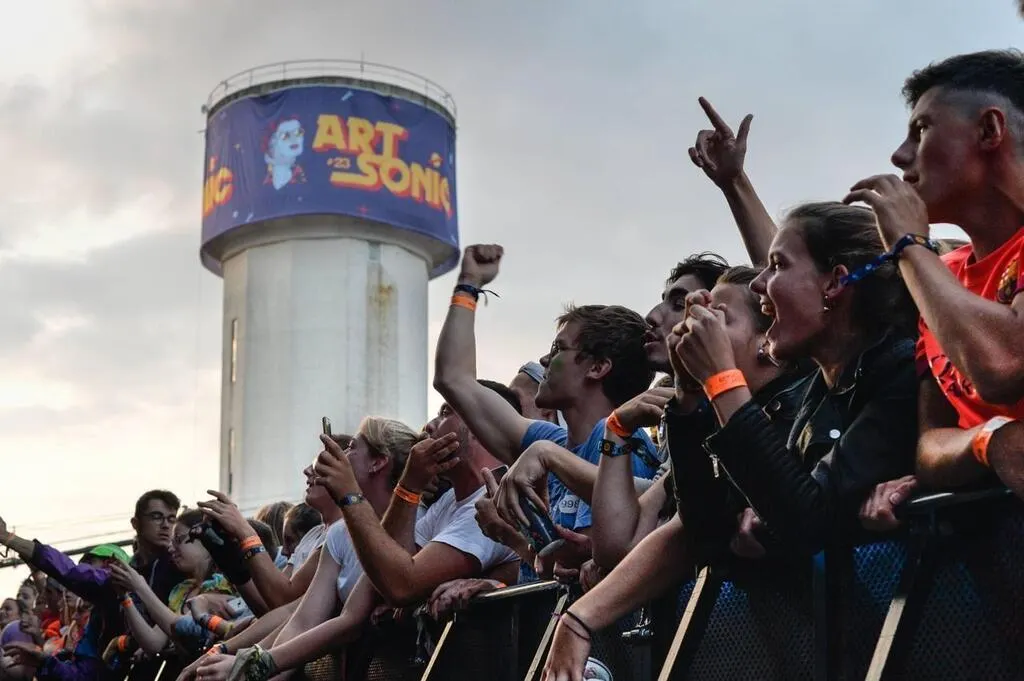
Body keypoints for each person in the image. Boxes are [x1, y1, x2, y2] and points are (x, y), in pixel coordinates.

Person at [542, 205, 919, 679]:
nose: (762, 283)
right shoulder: (818, 394)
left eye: (777, 266)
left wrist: (721, 380)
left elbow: (806, 518)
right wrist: (687, 395)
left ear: (835, 283)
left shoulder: (896, 366)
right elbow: (701, 523)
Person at [197, 387, 521, 681]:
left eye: (446, 412)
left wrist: (359, 495)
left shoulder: (491, 501)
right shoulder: (442, 506)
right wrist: (249, 663)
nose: (429, 426)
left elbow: (399, 584)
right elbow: (309, 610)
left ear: (479, 426)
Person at [839, 50, 1024, 518]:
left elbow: (1003, 366)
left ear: (990, 130)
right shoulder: (942, 276)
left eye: (921, 130)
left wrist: (909, 244)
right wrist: (988, 440)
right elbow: (930, 446)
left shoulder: (922, 265)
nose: (900, 156)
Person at [435, 244, 657, 554]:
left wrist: (511, 536)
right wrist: (468, 285)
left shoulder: (621, 445)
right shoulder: (550, 440)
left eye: (558, 349)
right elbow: (453, 380)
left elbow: (592, 569)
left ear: (597, 367)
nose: (543, 359)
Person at [111, 508, 241, 659]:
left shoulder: (225, 585)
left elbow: (184, 634)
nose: (170, 548)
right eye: (171, 542)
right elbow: (153, 644)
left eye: (178, 540)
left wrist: (140, 587)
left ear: (205, 539)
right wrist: (125, 598)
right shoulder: (182, 590)